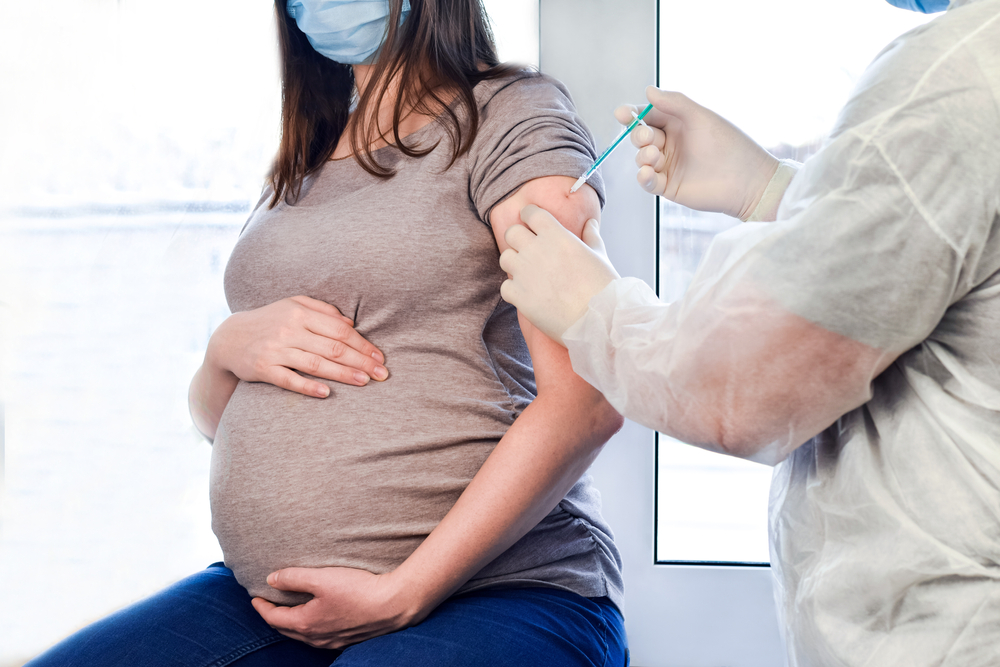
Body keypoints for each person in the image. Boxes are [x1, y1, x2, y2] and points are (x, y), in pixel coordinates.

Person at [26, 1, 629, 665]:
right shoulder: (311, 147)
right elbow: (216, 418)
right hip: (271, 601)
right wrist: (225, 353)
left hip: (500, 589)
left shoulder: (513, 114)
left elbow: (589, 398)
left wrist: (404, 591)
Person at [499, 0, 1000, 665]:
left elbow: (741, 385)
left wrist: (598, 313)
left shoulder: (960, 73)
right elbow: (928, 261)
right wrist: (772, 190)